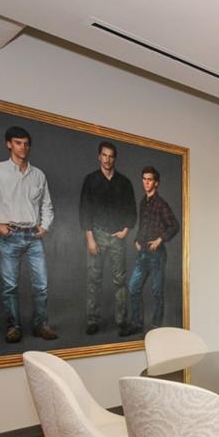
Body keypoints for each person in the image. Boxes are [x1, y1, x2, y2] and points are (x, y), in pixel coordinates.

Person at [0, 125, 58, 343]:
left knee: (42, 285)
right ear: (9, 144)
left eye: (27, 143)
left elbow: (47, 205)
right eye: (18, 143)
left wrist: (45, 226)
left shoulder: (38, 174)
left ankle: (41, 325)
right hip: (8, 236)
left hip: (33, 236)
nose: (23, 147)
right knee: (10, 286)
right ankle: (13, 327)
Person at [79, 141, 136, 335]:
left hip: (117, 237)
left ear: (115, 158)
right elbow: (84, 210)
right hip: (97, 235)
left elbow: (131, 210)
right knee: (94, 280)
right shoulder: (90, 180)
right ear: (99, 156)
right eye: (104, 155)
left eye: (111, 156)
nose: (108, 159)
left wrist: (125, 232)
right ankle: (92, 320)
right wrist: (90, 238)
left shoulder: (124, 182)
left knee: (119, 281)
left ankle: (121, 320)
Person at [121, 166, 179, 336]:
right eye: (144, 179)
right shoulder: (142, 202)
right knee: (133, 287)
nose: (146, 182)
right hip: (142, 253)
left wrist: (161, 239)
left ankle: (156, 325)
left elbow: (174, 225)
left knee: (156, 291)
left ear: (156, 183)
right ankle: (137, 323)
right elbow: (142, 227)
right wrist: (136, 240)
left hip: (157, 256)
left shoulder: (161, 204)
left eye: (150, 179)